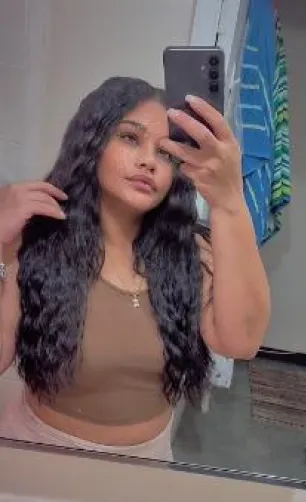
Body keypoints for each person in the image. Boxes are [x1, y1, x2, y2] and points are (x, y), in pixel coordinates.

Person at [0, 77, 270, 460]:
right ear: (94, 142)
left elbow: (241, 342)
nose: (148, 161)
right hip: (36, 456)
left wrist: (229, 201)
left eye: (166, 153)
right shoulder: (38, 238)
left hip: (146, 466)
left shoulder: (190, 255)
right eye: (130, 138)